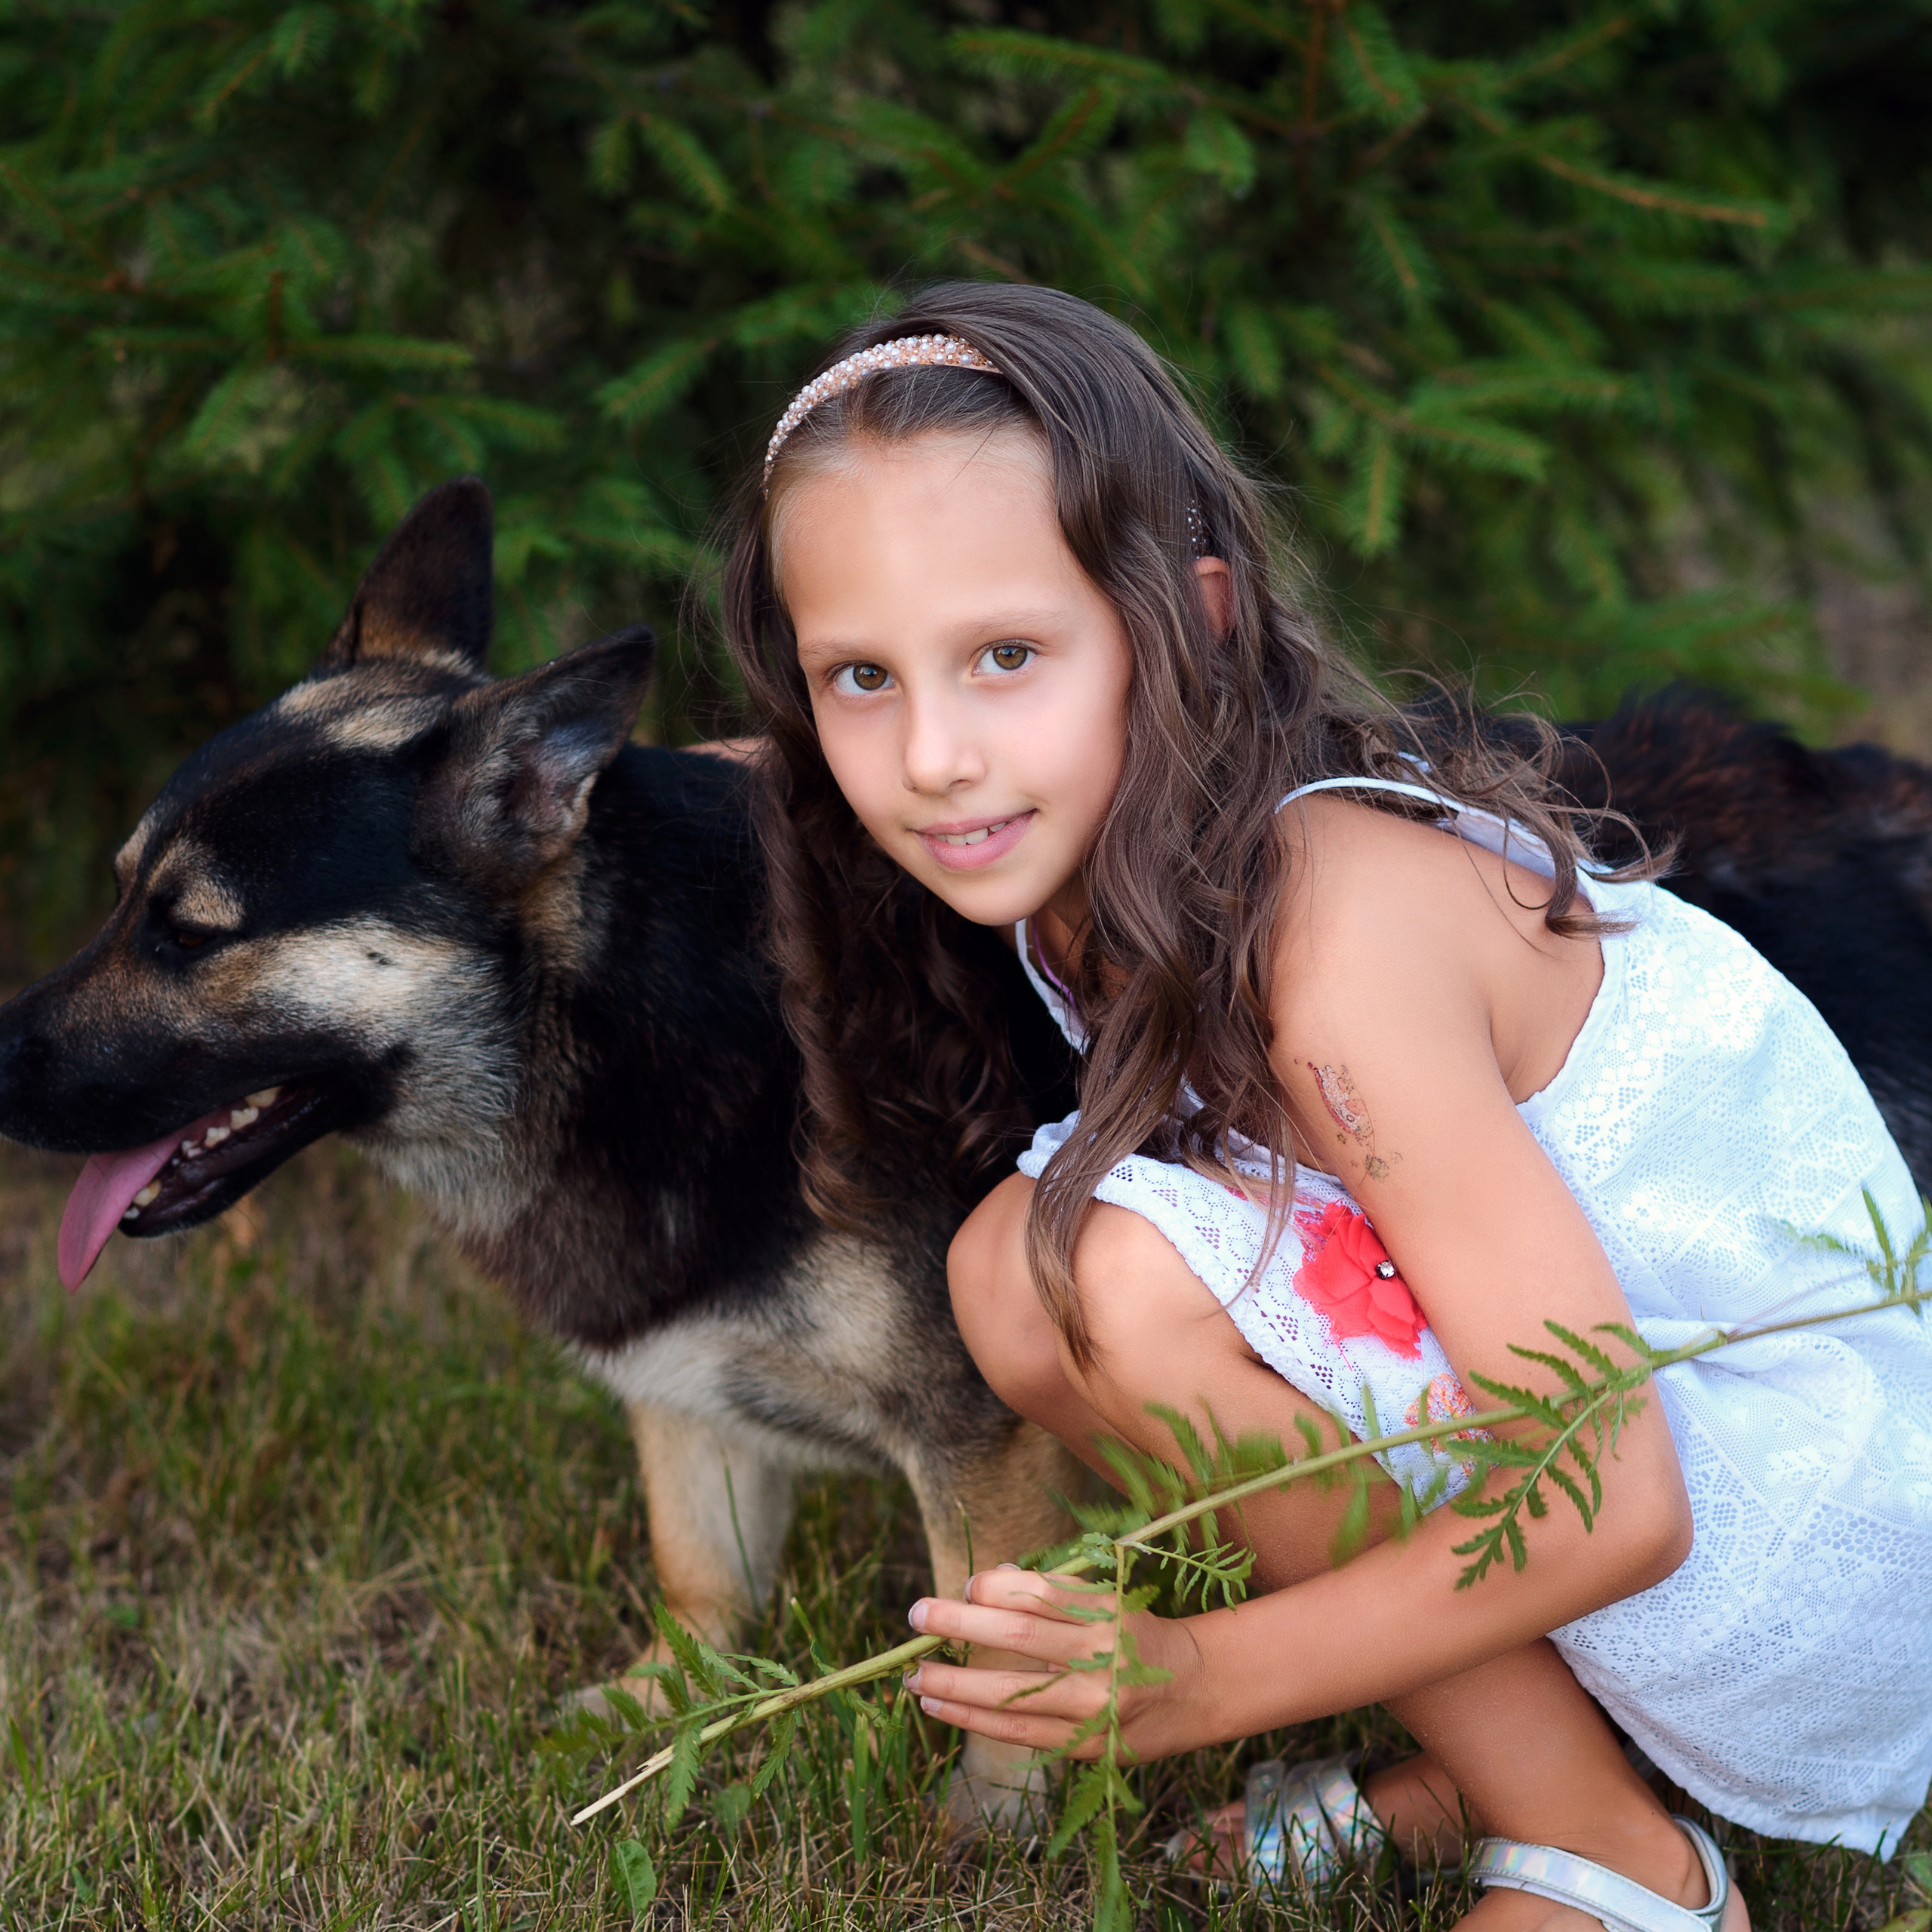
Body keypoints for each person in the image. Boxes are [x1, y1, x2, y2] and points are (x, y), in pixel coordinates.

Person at [717, 282, 1932, 1929]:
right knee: (1025, 1262)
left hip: (1806, 1530)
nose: (930, 751)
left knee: (1109, 1268)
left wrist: (1200, 1676)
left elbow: (1611, 1490)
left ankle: (1620, 1868)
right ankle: (1543, 1765)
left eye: (1006, 653)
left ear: (1194, 622)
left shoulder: (1332, 926)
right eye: (859, 675)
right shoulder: (1094, 859)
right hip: (1645, 1458)